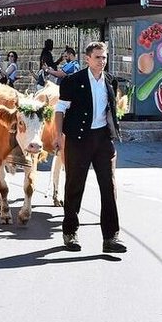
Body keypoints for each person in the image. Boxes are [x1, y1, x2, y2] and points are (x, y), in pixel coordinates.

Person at [54, 40, 124, 253]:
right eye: (97, 57)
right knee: (75, 186)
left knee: (109, 188)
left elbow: (111, 109)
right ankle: (70, 232)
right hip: (78, 139)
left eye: (104, 57)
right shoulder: (72, 81)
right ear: (87, 59)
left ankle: (111, 237)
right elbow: (60, 110)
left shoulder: (110, 81)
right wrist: (58, 135)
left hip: (103, 140)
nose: (102, 61)